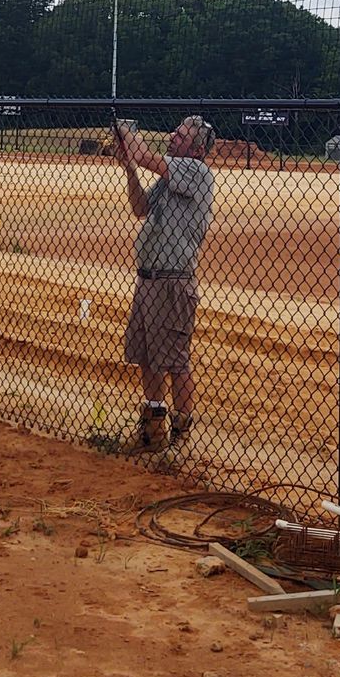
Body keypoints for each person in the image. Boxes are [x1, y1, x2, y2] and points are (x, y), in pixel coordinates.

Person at [112, 114, 215, 451]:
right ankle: (154, 430)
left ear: (197, 148)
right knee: (147, 357)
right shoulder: (170, 177)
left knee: (174, 360)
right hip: (149, 279)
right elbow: (140, 208)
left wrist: (124, 129)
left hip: (172, 281)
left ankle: (181, 436)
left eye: (181, 135)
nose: (173, 135)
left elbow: (144, 155)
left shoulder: (196, 172)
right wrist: (129, 169)